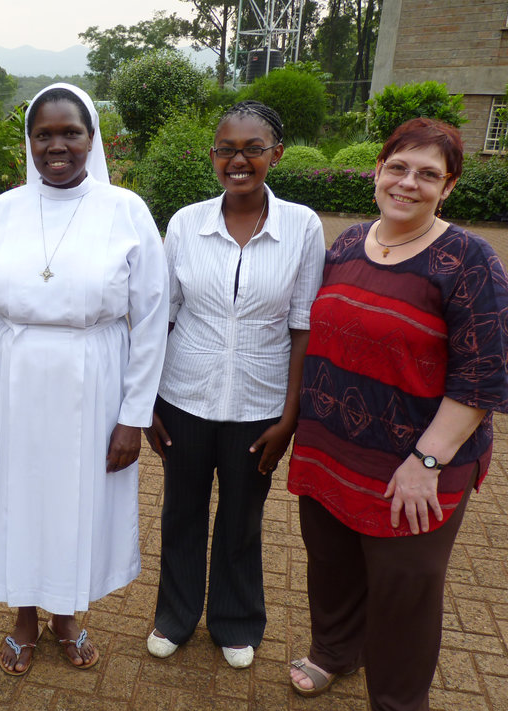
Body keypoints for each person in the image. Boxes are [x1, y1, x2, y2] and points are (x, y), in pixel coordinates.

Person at [286, 118, 508, 711]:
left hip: (416, 465)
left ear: (449, 187)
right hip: (332, 445)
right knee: (330, 562)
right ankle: (334, 651)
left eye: (427, 174)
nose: (407, 183)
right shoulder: (351, 242)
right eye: (398, 167)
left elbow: (481, 379)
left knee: (405, 587)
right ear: (378, 170)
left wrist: (429, 460)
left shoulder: (471, 264)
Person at [0, 83, 169, 676]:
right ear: (29, 142)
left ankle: (68, 616)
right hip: (11, 383)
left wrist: (133, 415)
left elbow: (151, 319)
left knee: (77, 500)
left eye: (69, 133)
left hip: (94, 381)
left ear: (91, 137)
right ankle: (24, 618)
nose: (57, 146)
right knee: (20, 497)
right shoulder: (4, 210)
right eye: (43, 134)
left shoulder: (125, 210)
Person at [144, 101, 325, 669]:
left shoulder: (302, 226)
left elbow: (303, 325)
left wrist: (289, 417)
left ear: (276, 154)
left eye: (252, 148)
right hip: (184, 398)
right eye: (226, 149)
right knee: (181, 512)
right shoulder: (185, 224)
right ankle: (175, 616)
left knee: (243, 517)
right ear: (214, 156)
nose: (238, 160)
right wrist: (146, 399)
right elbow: (161, 316)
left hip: (260, 403)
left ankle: (236, 620)